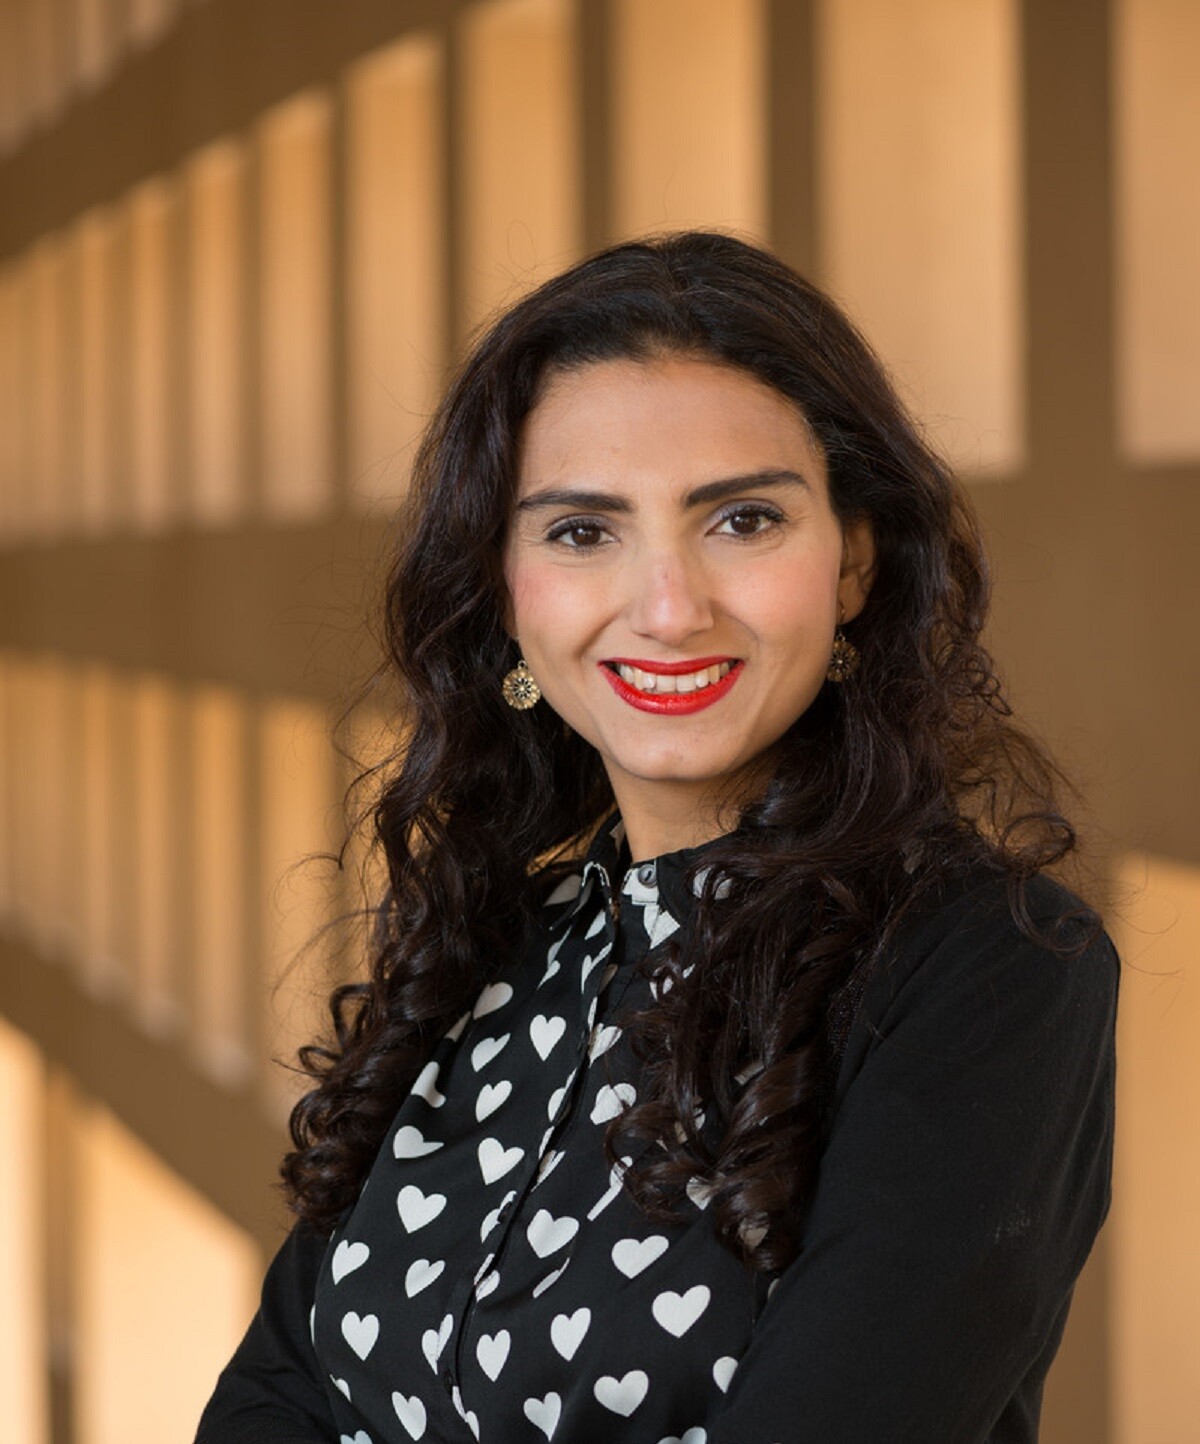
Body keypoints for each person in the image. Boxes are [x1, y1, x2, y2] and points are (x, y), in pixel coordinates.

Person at [195, 231, 1117, 1444]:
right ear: (505, 587)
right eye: (583, 531)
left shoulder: (991, 969)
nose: (670, 608)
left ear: (853, 561)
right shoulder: (498, 947)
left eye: (742, 519)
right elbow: (278, 1392)